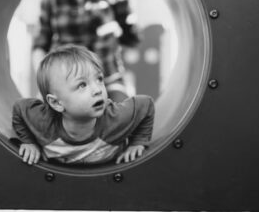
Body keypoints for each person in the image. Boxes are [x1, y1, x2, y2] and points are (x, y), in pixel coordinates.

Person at [13, 45, 154, 165]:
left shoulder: (115, 119)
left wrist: (138, 142)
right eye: (82, 85)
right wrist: (28, 142)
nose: (98, 90)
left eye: (99, 79)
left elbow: (145, 104)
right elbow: (19, 108)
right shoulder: (44, 123)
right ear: (56, 103)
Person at [32, 0, 141, 102]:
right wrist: (46, 83)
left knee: (123, 112)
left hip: (107, 78)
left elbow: (132, 39)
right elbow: (40, 45)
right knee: (44, 115)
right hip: (67, 81)